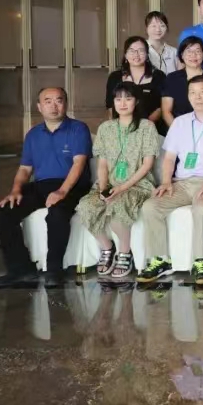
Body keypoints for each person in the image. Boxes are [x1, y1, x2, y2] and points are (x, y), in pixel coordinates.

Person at [136, 75, 203, 287]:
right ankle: (160, 260)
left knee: (201, 208)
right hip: (181, 183)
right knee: (150, 206)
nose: (197, 97)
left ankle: (201, 262)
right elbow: (169, 158)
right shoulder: (180, 123)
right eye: (193, 93)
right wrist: (166, 182)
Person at [0, 87, 92, 288]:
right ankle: (21, 269)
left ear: (66, 103)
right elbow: (24, 169)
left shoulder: (78, 128)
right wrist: (15, 190)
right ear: (39, 106)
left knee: (57, 213)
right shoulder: (33, 134)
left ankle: (54, 270)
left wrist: (62, 191)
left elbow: (79, 164)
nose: (54, 106)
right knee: (3, 213)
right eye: (48, 101)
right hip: (42, 185)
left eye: (59, 100)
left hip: (72, 185)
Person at [75, 82, 158, 279]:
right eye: (118, 99)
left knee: (118, 206)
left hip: (137, 185)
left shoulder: (146, 127)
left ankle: (125, 252)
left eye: (128, 98)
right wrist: (104, 189)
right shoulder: (106, 128)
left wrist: (122, 188)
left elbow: (147, 165)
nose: (123, 103)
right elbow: (102, 163)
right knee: (86, 206)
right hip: (109, 184)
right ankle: (107, 248)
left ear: (136, 102)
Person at [105, 36, 166, 134]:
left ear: (147, 54)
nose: (136, 54)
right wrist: (120, 127)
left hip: (152, 129)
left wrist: (144, 126)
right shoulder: (115, 77)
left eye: (141, 50)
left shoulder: (159, 76)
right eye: (132, 51)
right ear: (125, 54)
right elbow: (110, 106)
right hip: (122, 130)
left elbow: (162, 106)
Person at [160, 36, 203, 128]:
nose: (193, 55)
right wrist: (178, 132)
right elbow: (166, 112)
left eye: (198, 51)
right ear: (182, 55)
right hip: (179, 128)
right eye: (189, 51)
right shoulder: (172, 78)